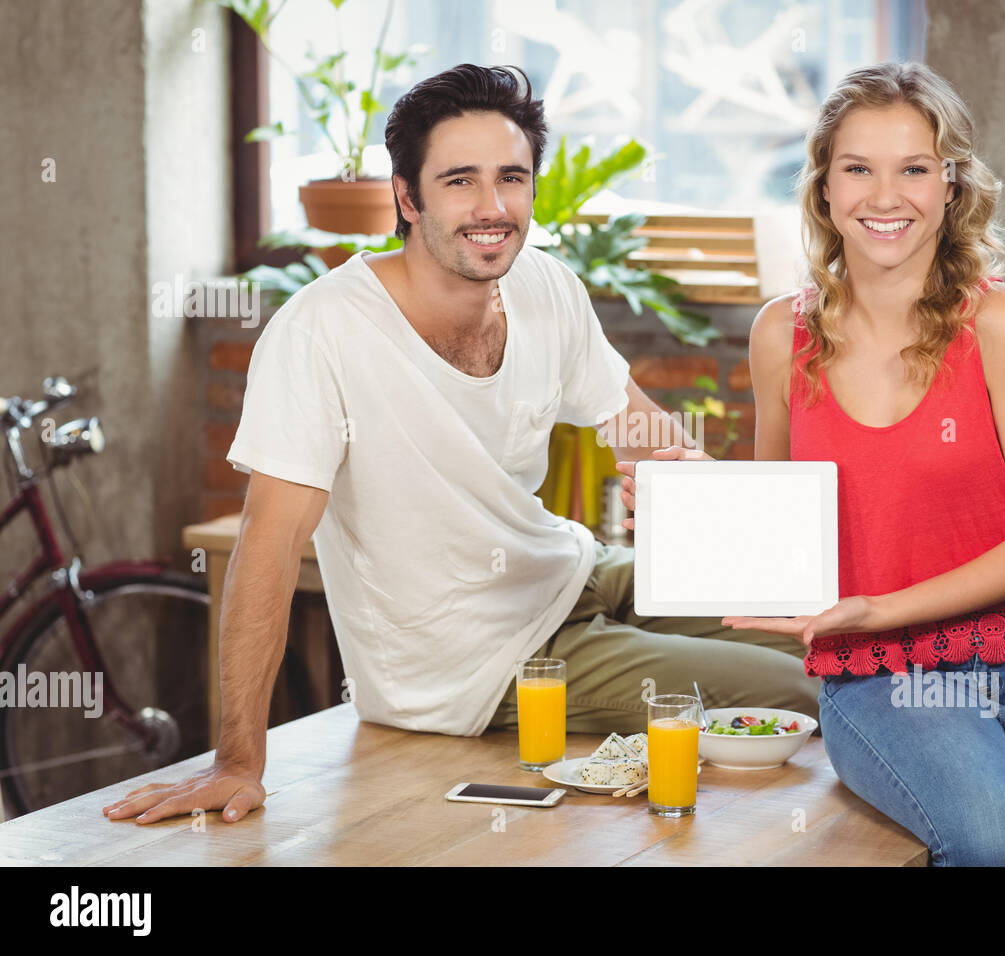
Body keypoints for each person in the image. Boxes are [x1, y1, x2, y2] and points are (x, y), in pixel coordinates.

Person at [103, 63, 818, 827]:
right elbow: (268, 545)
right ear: (407, 198)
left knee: (818, 619)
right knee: (804, 683)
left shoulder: (543, 286)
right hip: (482, 667)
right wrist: (239, 760)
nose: (491, 207)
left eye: (511, 177)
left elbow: (640, 433)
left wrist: (695, 488)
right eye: (459, 181)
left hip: (570, 569)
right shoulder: (324, 331)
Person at [620, 61, 1005, 866]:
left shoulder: (1002, 323)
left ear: (951, 185)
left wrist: (881, 601)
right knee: (997, 840)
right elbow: (779, 546)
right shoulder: (779, 337)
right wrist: (684, 506)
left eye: (914, 168)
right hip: (881, 673)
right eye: (858, 168)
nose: (885, 195)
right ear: (825, 187)